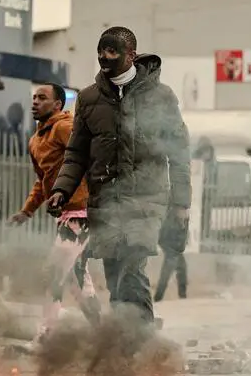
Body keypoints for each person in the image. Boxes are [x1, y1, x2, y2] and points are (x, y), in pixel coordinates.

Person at [48, 27, 191, 329]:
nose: (104, 57)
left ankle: (142, 342)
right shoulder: (88, 99)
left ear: (131, 55)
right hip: (106, 201)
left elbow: (178, 153)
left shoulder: (161, 97)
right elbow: (76, 155)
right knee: (115, 275)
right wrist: (62, 189)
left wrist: (181, 204)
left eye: (112, 51)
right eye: (100, 50)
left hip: (147, 200)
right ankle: (125, 340)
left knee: (131, 265)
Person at [8, 83, 101, 341]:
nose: (35, 102)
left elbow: (89, 154)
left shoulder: (63, 127)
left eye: (42, 98)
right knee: (76, 278)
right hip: (67, 215)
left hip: (81, 213)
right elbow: (43, 180)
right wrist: (26, 211)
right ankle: (104, 334)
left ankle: (46, 336)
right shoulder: (35, 140)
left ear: (58, 105)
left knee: (54, 272)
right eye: (34, 97)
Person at [154, 209, 188, 302]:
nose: (185, 213)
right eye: (183, 211)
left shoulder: (184, 222)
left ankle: (183, 297)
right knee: (165, 277)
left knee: (182, 274)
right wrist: (169, 250)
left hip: (178, 252)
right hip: (171, 253)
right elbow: (161, 239)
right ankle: (157, 298)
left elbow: (183, 239)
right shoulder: (169, 224)